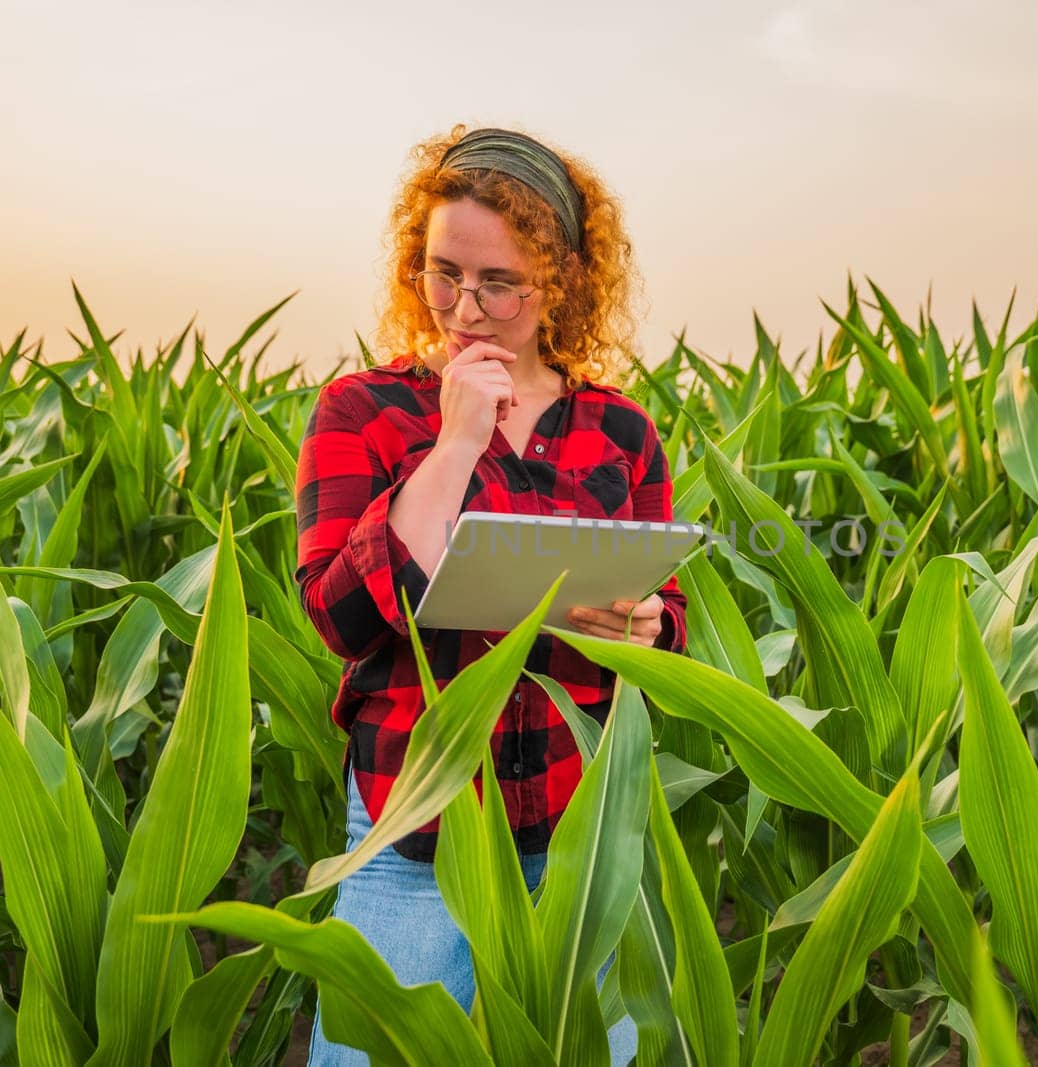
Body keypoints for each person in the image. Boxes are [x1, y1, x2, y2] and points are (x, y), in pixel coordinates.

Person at [294, 124, 688, 1066]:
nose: (464, 308)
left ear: (560, 282)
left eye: (499, 282)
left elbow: (666, 622)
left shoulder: (623, 433)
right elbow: (341, 619)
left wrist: (645, 623)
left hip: (580, 837)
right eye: (442, 274)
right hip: (412, 826)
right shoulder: (363, 412)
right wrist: (457, 440)